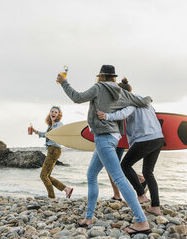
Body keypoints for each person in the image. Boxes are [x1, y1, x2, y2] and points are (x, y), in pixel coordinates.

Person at [56, 65, 151, 234]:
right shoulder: (122, 92)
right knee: (91, 174)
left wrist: (64, 82)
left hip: (103, 138)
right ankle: (89, 217)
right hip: (114, 137)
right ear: (113, 78)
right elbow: (142, 101)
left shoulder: (98, 88)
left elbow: (77, 98)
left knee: (119, 178)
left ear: (100, 76)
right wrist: (149, 98)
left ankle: (141, 221)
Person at [97, 77, 164, 216]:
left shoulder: (130, 102)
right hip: (158, 138)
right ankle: (156, 207)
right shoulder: (145, 103)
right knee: (148, 172)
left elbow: (123, 114)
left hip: (144, 139)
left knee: (125, 165)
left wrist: (107, 116)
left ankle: (141, 194)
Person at [32, 106, 74, 199]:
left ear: (58, 114)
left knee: (43, 175)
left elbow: (57, 134)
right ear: (49, 113)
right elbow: (46, 135)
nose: (53, 113)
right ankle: (67, 189)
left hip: (54, 150)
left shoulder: (59, 124)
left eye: (56, 112)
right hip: (51, 149)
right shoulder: (50, 125)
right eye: (52, 111)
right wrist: (36, 131)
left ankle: (51, 197)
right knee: (47, 175)